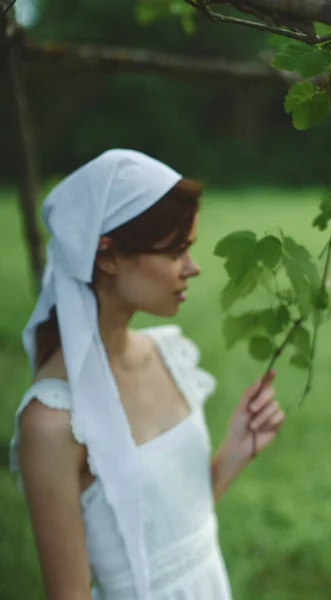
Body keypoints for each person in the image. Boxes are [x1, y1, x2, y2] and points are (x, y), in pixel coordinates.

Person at [9, 149, 285, 600]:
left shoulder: (169, 353)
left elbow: (163, 539)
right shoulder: (54, 421)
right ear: (108, 256)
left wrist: (235, 451)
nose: (192, 268)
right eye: (177, 251)